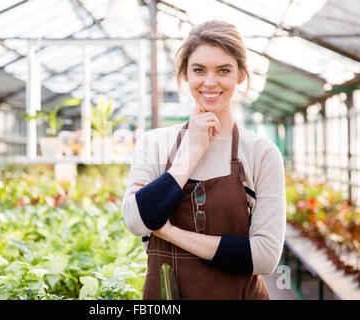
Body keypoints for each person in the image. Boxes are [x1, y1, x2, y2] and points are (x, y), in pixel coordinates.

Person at [122, 20, 286, 300]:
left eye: (224, 70)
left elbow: (264, 257)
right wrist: (191, 153)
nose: (210, 82)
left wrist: (170, 233)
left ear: (241, 76)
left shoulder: (261, 153)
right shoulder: (155, 144)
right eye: (199, 70)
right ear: (185, 74)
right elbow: (137, 221)